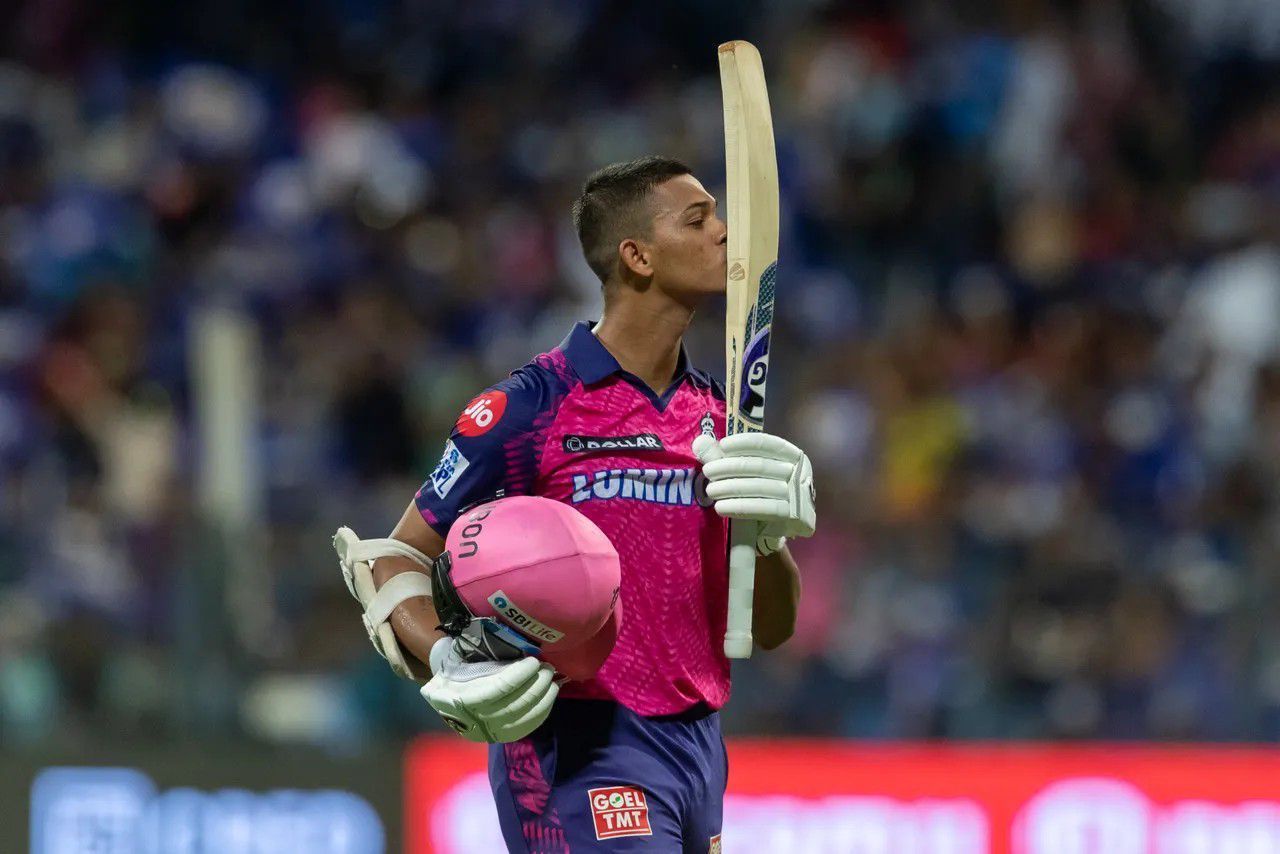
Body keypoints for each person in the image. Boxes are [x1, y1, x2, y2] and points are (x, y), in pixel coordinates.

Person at [338, 156, 816, 851]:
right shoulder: (531, 405)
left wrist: (771, 539)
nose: (725, 232)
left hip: (697, 748)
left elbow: (770, 629)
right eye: (698, 217)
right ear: (637, 256)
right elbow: (395, 554)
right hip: (577, 746)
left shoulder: (722, 419)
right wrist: (446, 658)